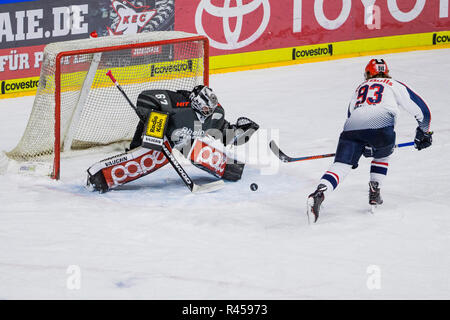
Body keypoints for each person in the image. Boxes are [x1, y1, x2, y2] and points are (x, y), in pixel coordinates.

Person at [307, 59, 433, 223]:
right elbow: (422, 110)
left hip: (351, 129)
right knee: (382, 155)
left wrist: (357, 150)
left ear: (367, 74)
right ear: (386, 72)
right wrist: (424, 132)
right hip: (382, 131)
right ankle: (375, 190)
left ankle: (319, 193)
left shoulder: (360, 87)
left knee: (341, 165)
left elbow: (351, 114)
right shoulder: (393, 84)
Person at [86, 85, 259, 192]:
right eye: (206, 108)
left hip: (184, 141)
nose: (209, 112)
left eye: (210, 109)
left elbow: (226, 136)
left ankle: (231, 169)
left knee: (197, 152)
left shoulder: (216, 113)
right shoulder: (177, 101)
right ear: (197, 103)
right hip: (162, 133)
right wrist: (157, 126)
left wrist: (242, 131)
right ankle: (100, 177)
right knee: (150, 155)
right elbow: (145, 98)